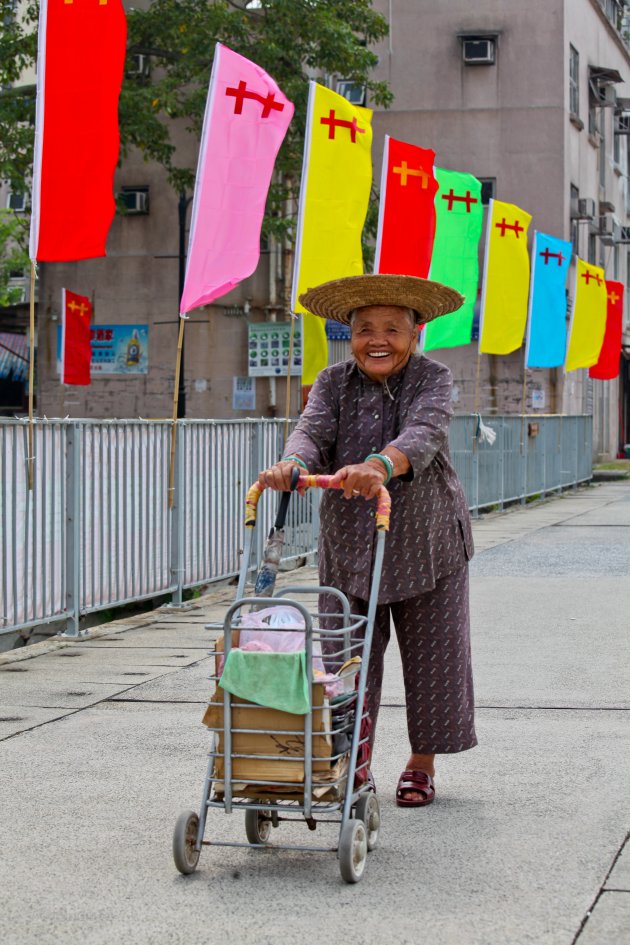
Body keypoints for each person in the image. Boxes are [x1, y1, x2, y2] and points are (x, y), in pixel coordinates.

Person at [258, 273, 476, 807]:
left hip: (428, 539)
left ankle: (421, 762)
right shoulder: (333, 382)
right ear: (349, 335)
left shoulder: (434, 378)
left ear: (415, 332)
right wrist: (294, 462)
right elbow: (311, 431)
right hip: (350, 542)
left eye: (391, 329)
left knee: (435, 656)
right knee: (345, 658)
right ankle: (353, 761)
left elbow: (424, 433)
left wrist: (380, 464)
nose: (377, 340)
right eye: (363, 330)